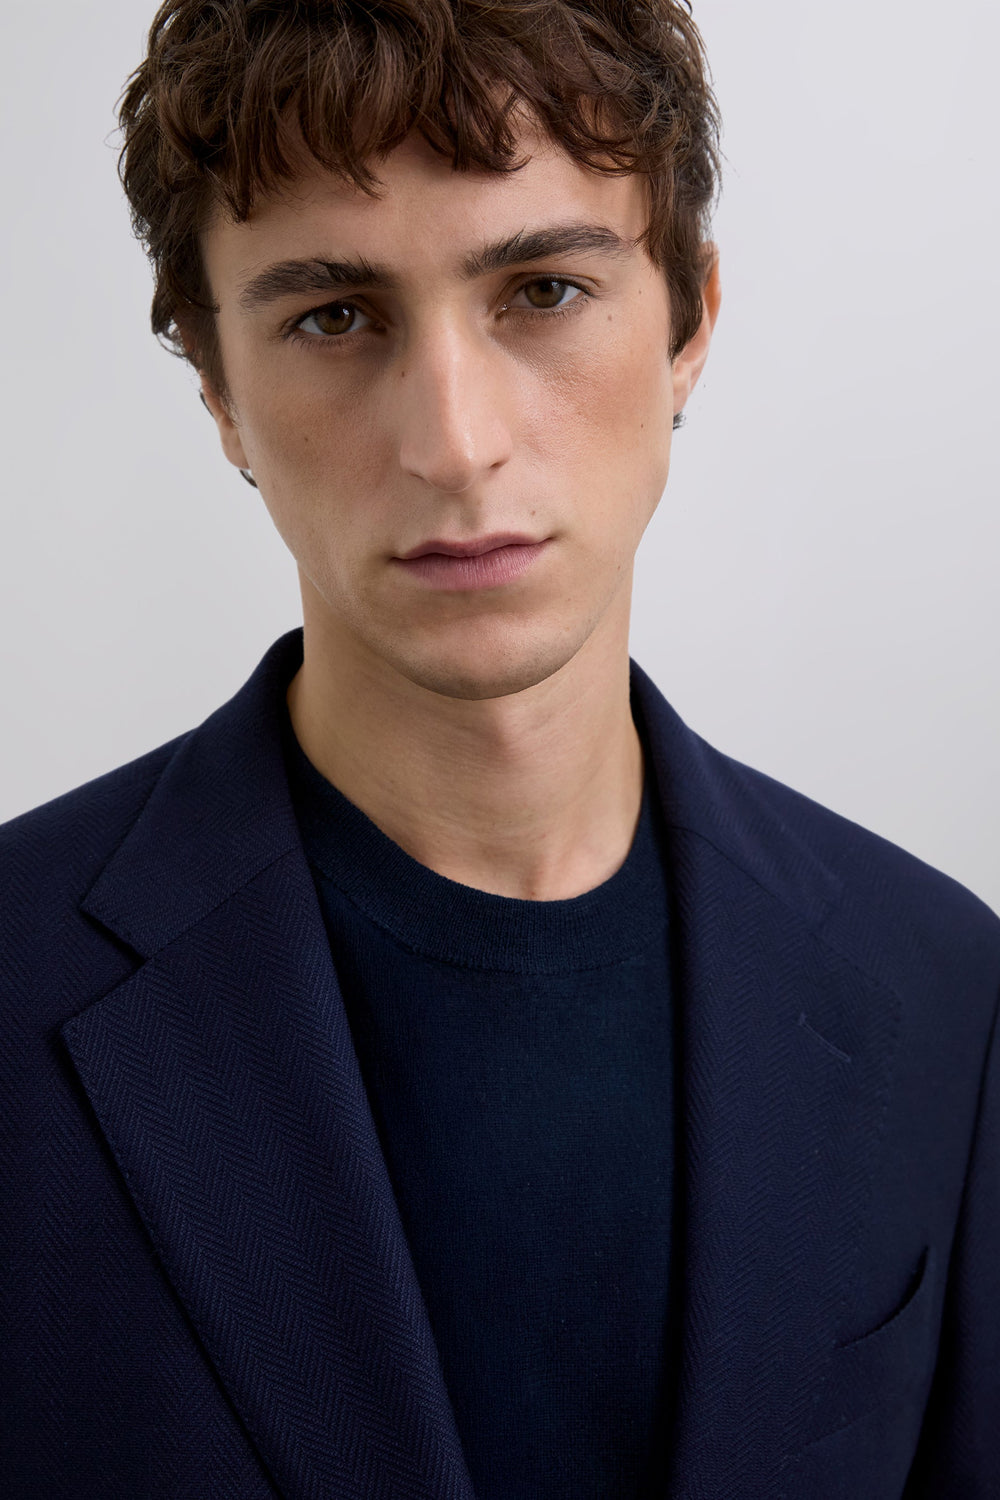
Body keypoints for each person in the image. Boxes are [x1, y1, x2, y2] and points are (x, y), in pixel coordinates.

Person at [2, 1, 997, 1495]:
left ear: (690, 325)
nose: (455, 441)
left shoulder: (941, 986)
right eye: (334, 317)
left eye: (542, 290)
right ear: (217, 388)